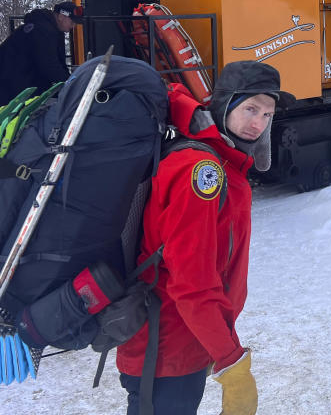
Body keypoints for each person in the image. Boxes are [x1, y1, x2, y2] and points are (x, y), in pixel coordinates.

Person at [116, 61, 293, 415]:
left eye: (268, 114)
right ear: (224, 104)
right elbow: (193, 284)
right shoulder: (203, 173)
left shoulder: (221, 163)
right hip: (167, 350)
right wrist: (232, 363)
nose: (258, 123)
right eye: (250, 109)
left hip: (180, 343)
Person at [0, 1, 83, 108]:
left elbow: (58, 64)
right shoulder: (42, 30)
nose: (73, 26)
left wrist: (70, 82)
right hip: (3, 83)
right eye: (72, 22)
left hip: (20, 80)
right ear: (61, 16)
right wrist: (71, 85)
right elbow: (49, 66)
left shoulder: (54, 30)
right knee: (17, 121)